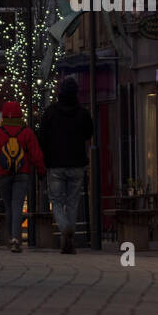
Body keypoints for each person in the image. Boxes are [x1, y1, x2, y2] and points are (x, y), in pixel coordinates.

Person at [38, 76, 95, 254]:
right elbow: (89, 132)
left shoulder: (50, 112)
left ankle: (64, 229)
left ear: (60, 92)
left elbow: (41, 138)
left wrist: (45, 157)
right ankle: (69, 237)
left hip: (55, 164)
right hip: (77, 164)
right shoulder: (82, 113)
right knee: (72, 202)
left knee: (55, 201)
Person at [0, 100, 45, 252]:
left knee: (8, 206)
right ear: (20, 114)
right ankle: (15, 238)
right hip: (22, 173)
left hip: (2, 174)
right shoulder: (26, 132)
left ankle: (11, 237)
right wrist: (41, 171)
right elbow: (36, 155)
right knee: (17, 205)